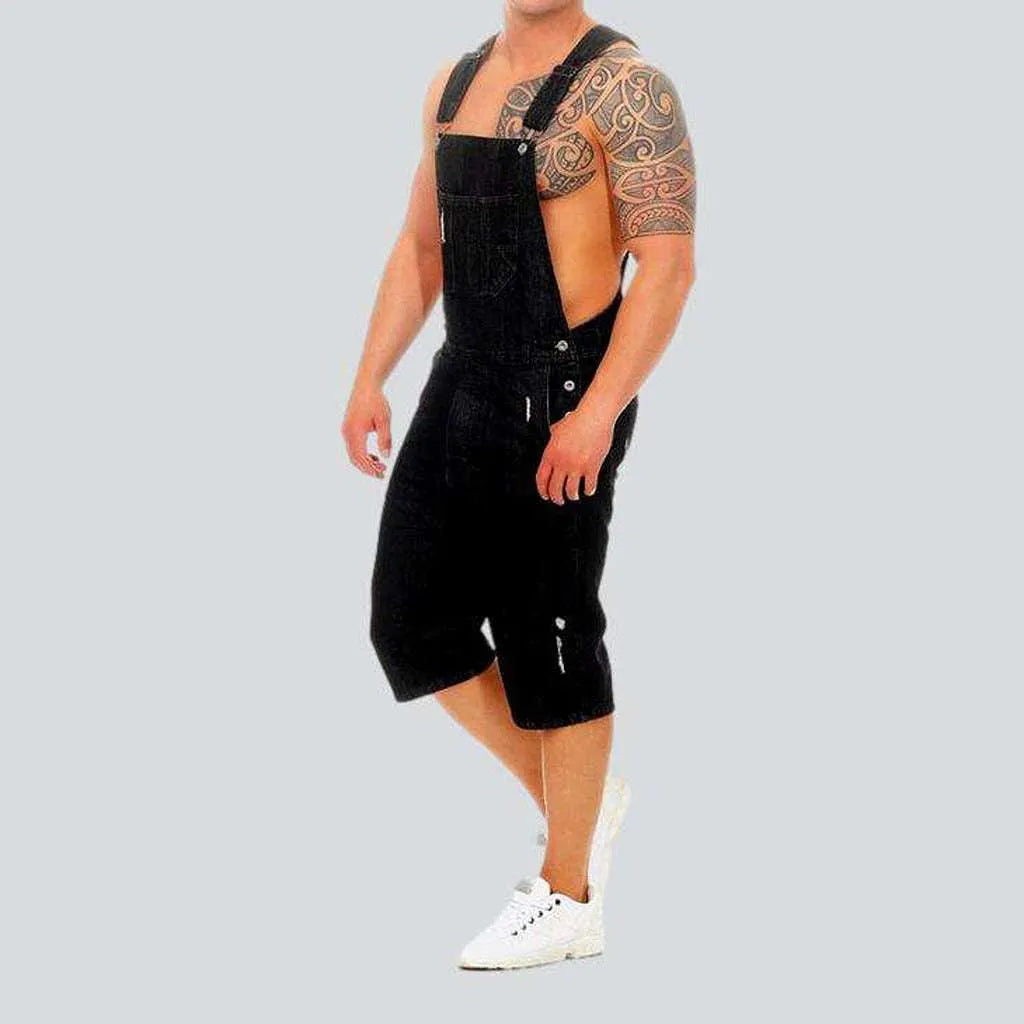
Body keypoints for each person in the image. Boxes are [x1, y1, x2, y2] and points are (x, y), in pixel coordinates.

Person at [342, 2, 695, 970]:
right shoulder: (453, 84)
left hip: (564, 388)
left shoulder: (628, 88)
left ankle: (569, 896)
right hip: (462, 377)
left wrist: (597, 413)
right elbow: (422, 248)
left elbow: (666, 268)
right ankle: (580, 803)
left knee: (549, 635)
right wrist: (370, 376)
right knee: (411, 623)